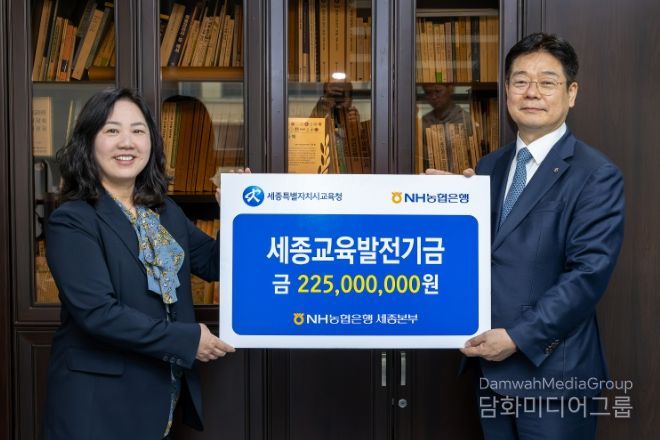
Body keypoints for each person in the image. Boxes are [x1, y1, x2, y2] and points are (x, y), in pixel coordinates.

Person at [428, 33, 625, 438]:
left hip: (554, 375)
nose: (531, 92)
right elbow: (484, 253)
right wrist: (449, 207)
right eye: (520, 81)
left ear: (571, 93)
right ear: (507, 90)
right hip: (489, 367)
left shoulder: (596, 174)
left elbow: (587, 275)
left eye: (547, 82)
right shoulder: (490, 167)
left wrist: (518, 338)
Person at [42, 88, 235, 440]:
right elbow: (98, 313)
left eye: (138, 131)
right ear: (89, 142)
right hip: (98, 405)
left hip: (160, 392)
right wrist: (188, 340)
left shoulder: (164, 211)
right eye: (112, 130)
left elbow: (214, 264)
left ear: (151, 142)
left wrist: (237, 214)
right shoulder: (72, 220)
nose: (127, 142)